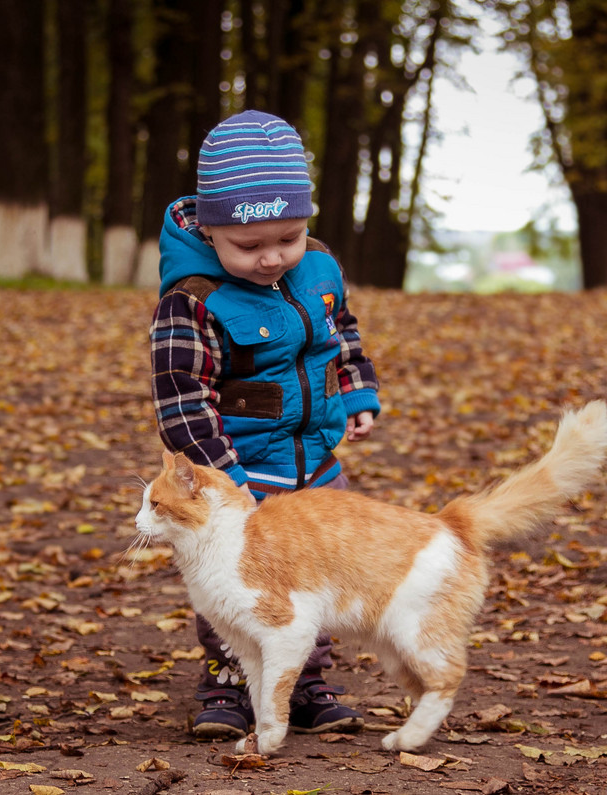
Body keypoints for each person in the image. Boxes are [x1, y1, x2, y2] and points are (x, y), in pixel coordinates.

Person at [148, 109, 381, 740]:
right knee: (236, 577)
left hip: (315, 462)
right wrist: (221, 480)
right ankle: (227, 680)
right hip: (243, 472)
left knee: (316, 571)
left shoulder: (321, 269)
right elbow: (180, 397)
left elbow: (343, 335)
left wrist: (356, 391)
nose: (271, 258)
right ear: (211, 229)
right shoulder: (194, 298)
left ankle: (303, 679)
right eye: (248, 247)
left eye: (289, 238)